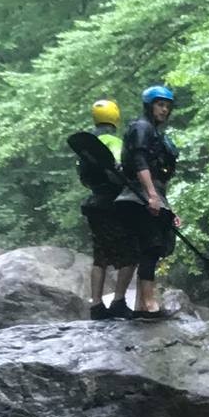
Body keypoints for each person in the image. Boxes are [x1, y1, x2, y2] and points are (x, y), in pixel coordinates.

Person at [117, 84, 182, 319]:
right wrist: (152, 196)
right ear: (149, 106)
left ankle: (141, 306)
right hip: (139, 196)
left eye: (167, 106)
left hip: (148, 194)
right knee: (150, 246)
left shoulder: (153, 132)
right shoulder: (142, 127)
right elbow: (139, 161)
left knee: (151, 247)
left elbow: (158, 174)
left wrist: (167, 207)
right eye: (159, 105)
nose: (164, 110)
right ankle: (148, 303)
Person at [79, 99, 136, 319]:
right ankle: (119, 301)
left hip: (94, 203)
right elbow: (123, 170)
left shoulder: (86, 147)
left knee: (100, 256)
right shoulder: (113, 141)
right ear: (115, 117)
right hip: (115, 204)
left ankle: (96, 304)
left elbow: (84, 178)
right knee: (131, 253)